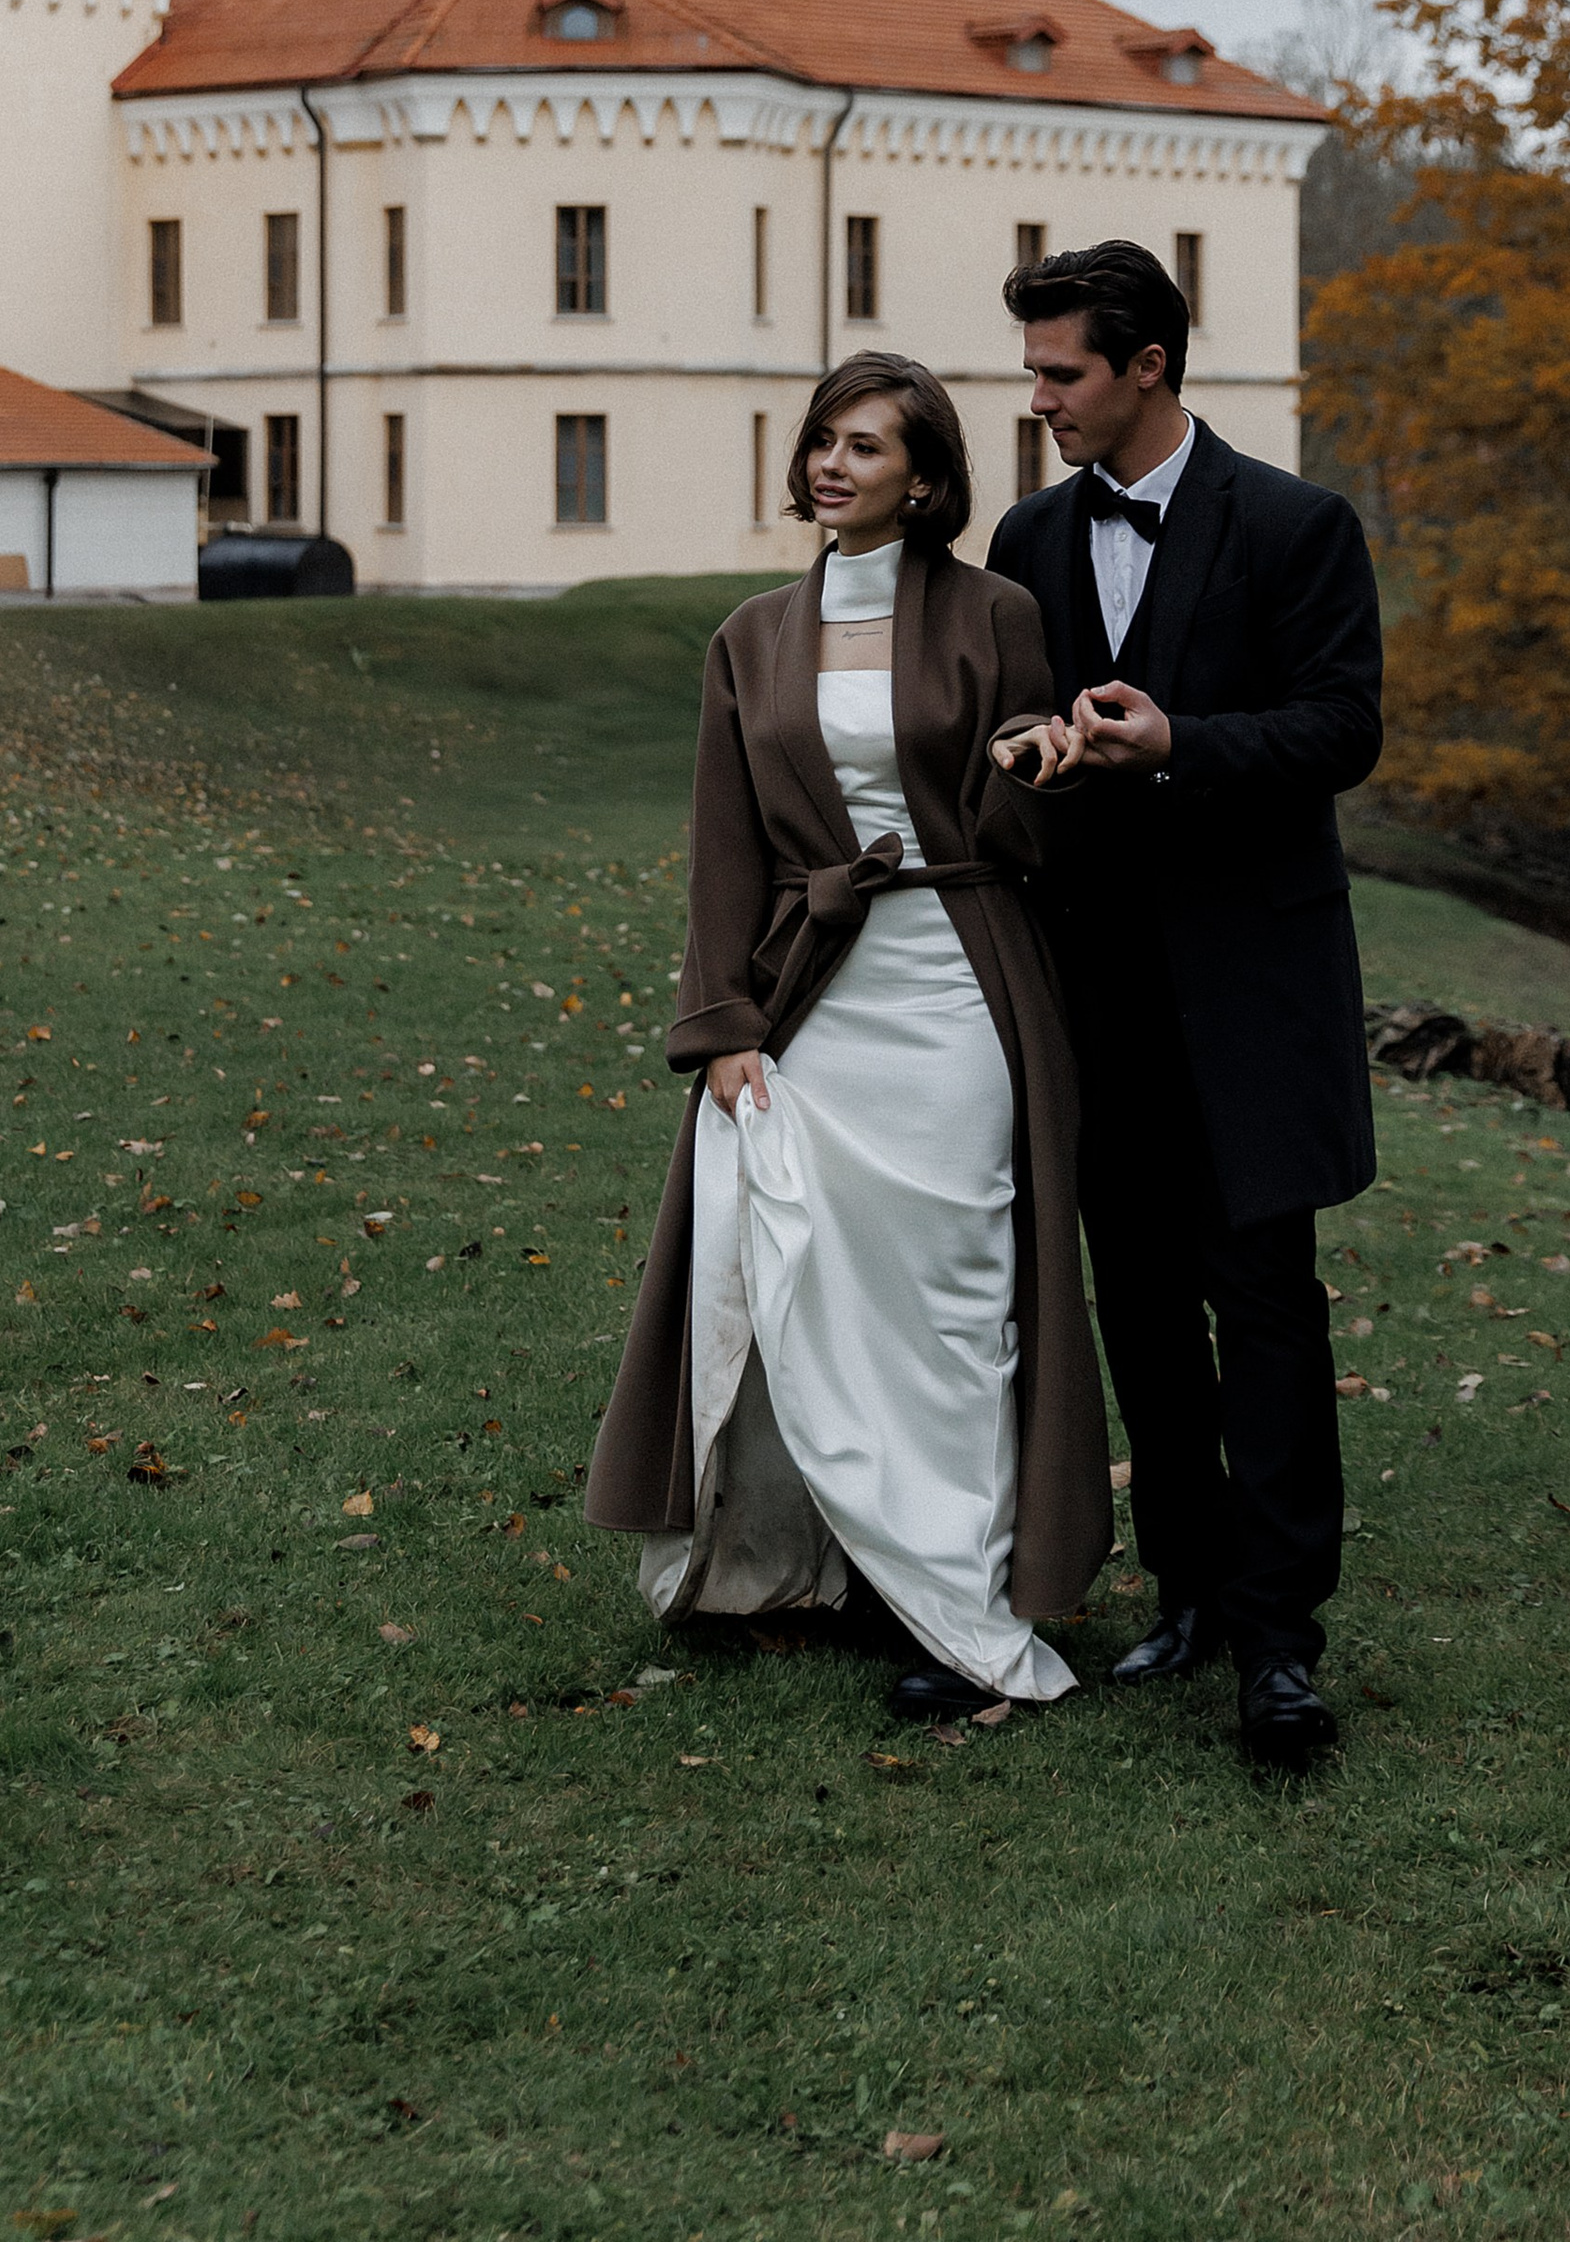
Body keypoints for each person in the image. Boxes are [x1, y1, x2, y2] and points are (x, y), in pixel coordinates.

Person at [587, 353, 1110, 1716]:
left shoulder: (998, 614)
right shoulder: (752, 635)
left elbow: (1038, 836)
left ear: (925, 478)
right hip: (811, 999)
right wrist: (722, 1025)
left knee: (951, 1310)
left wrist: (1032, 772)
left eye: (866, 447)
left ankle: (964, 1602)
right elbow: (724, 850)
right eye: (823, 440)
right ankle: (815, 1566)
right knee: (806, 1286)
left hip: (959, 994)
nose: (832, 463)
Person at [985, 239, 1382, 1769]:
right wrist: (1041, 743)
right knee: (1139, 1303)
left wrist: (1181, 745)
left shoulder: (1296, 524)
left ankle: (1283, 1644)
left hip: (1254, 988)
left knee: (1264, 1305)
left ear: (1148, 365)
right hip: (1091, 988)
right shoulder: (1029, 534)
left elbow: (1342, 730)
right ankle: (1191, 1593)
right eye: (1031, 373)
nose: (1039, 401)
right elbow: (1018, 713)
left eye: (1061, 373)